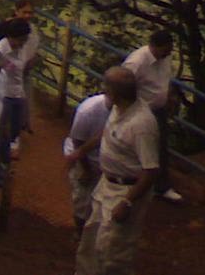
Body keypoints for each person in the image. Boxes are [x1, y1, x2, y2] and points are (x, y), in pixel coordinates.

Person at [70, 66, 159, 275]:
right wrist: (82, 151)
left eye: (106, 87)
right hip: (106, 184)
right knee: (90, 243)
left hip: (125, 191)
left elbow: (151, 170)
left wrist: (127, 202)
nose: (104, 91)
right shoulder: (119, 109)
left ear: (115, 93)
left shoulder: (141, 125)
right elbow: (107, 132)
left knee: (113, 252)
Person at [123, 30, 182, 202]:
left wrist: (169, 97)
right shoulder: (136, 62)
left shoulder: (165, 57)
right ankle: (132, 183)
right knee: (136, 147)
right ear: (154, 46)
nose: (169, 53)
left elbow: (165, 79)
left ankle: (161, 187)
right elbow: (124, 86)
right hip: (139, 112)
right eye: (166, 49)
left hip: (158, 109)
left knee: (161, 147)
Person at [0, 0, 41, 138]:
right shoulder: (4, 27)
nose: (28, 15)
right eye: (24, 12)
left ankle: (19, 129)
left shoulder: (31, 30)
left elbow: (34, 49)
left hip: (23, 69)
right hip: (5, 72)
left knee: (23, 100)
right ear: (16, 10)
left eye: (30, 13)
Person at [64, 90, 111, 236]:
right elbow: (78, 141)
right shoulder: (88, 111)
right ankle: (80, 233)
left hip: (105, 160)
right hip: (86, 158)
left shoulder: (124, 109)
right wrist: (86, 169)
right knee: (83, 199)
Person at [0, 17, 33, 158]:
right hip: (3, 93)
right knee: (2, 126)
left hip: (18, 92)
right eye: (21, 39)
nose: (22, 43)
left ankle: (11, 146)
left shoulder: (22, 49)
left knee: (16, 125)